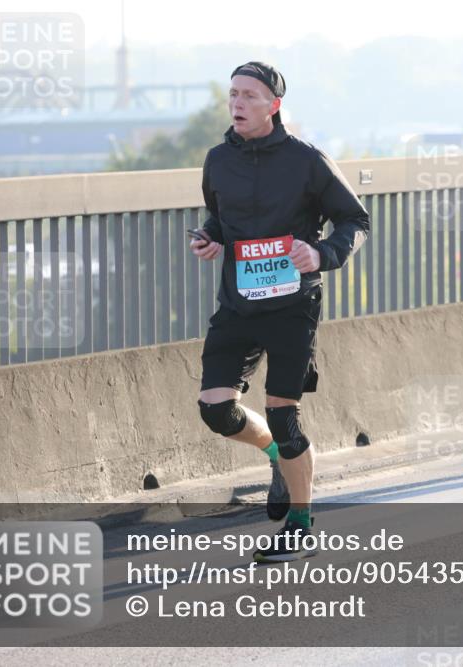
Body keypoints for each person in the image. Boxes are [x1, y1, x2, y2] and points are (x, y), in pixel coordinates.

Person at [191, 61, 369, 560]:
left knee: (284, 414)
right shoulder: (217, 160)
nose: (237, 104)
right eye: (233, 95)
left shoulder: (307, 160)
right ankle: (274, 457)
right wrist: (209, 238)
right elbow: (220, 219)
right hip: (238, 303)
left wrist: (322, 254)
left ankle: (300, 524)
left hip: (293, 304)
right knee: (216, 410)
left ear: (274, 105)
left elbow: (354, 220)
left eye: (249, 95)